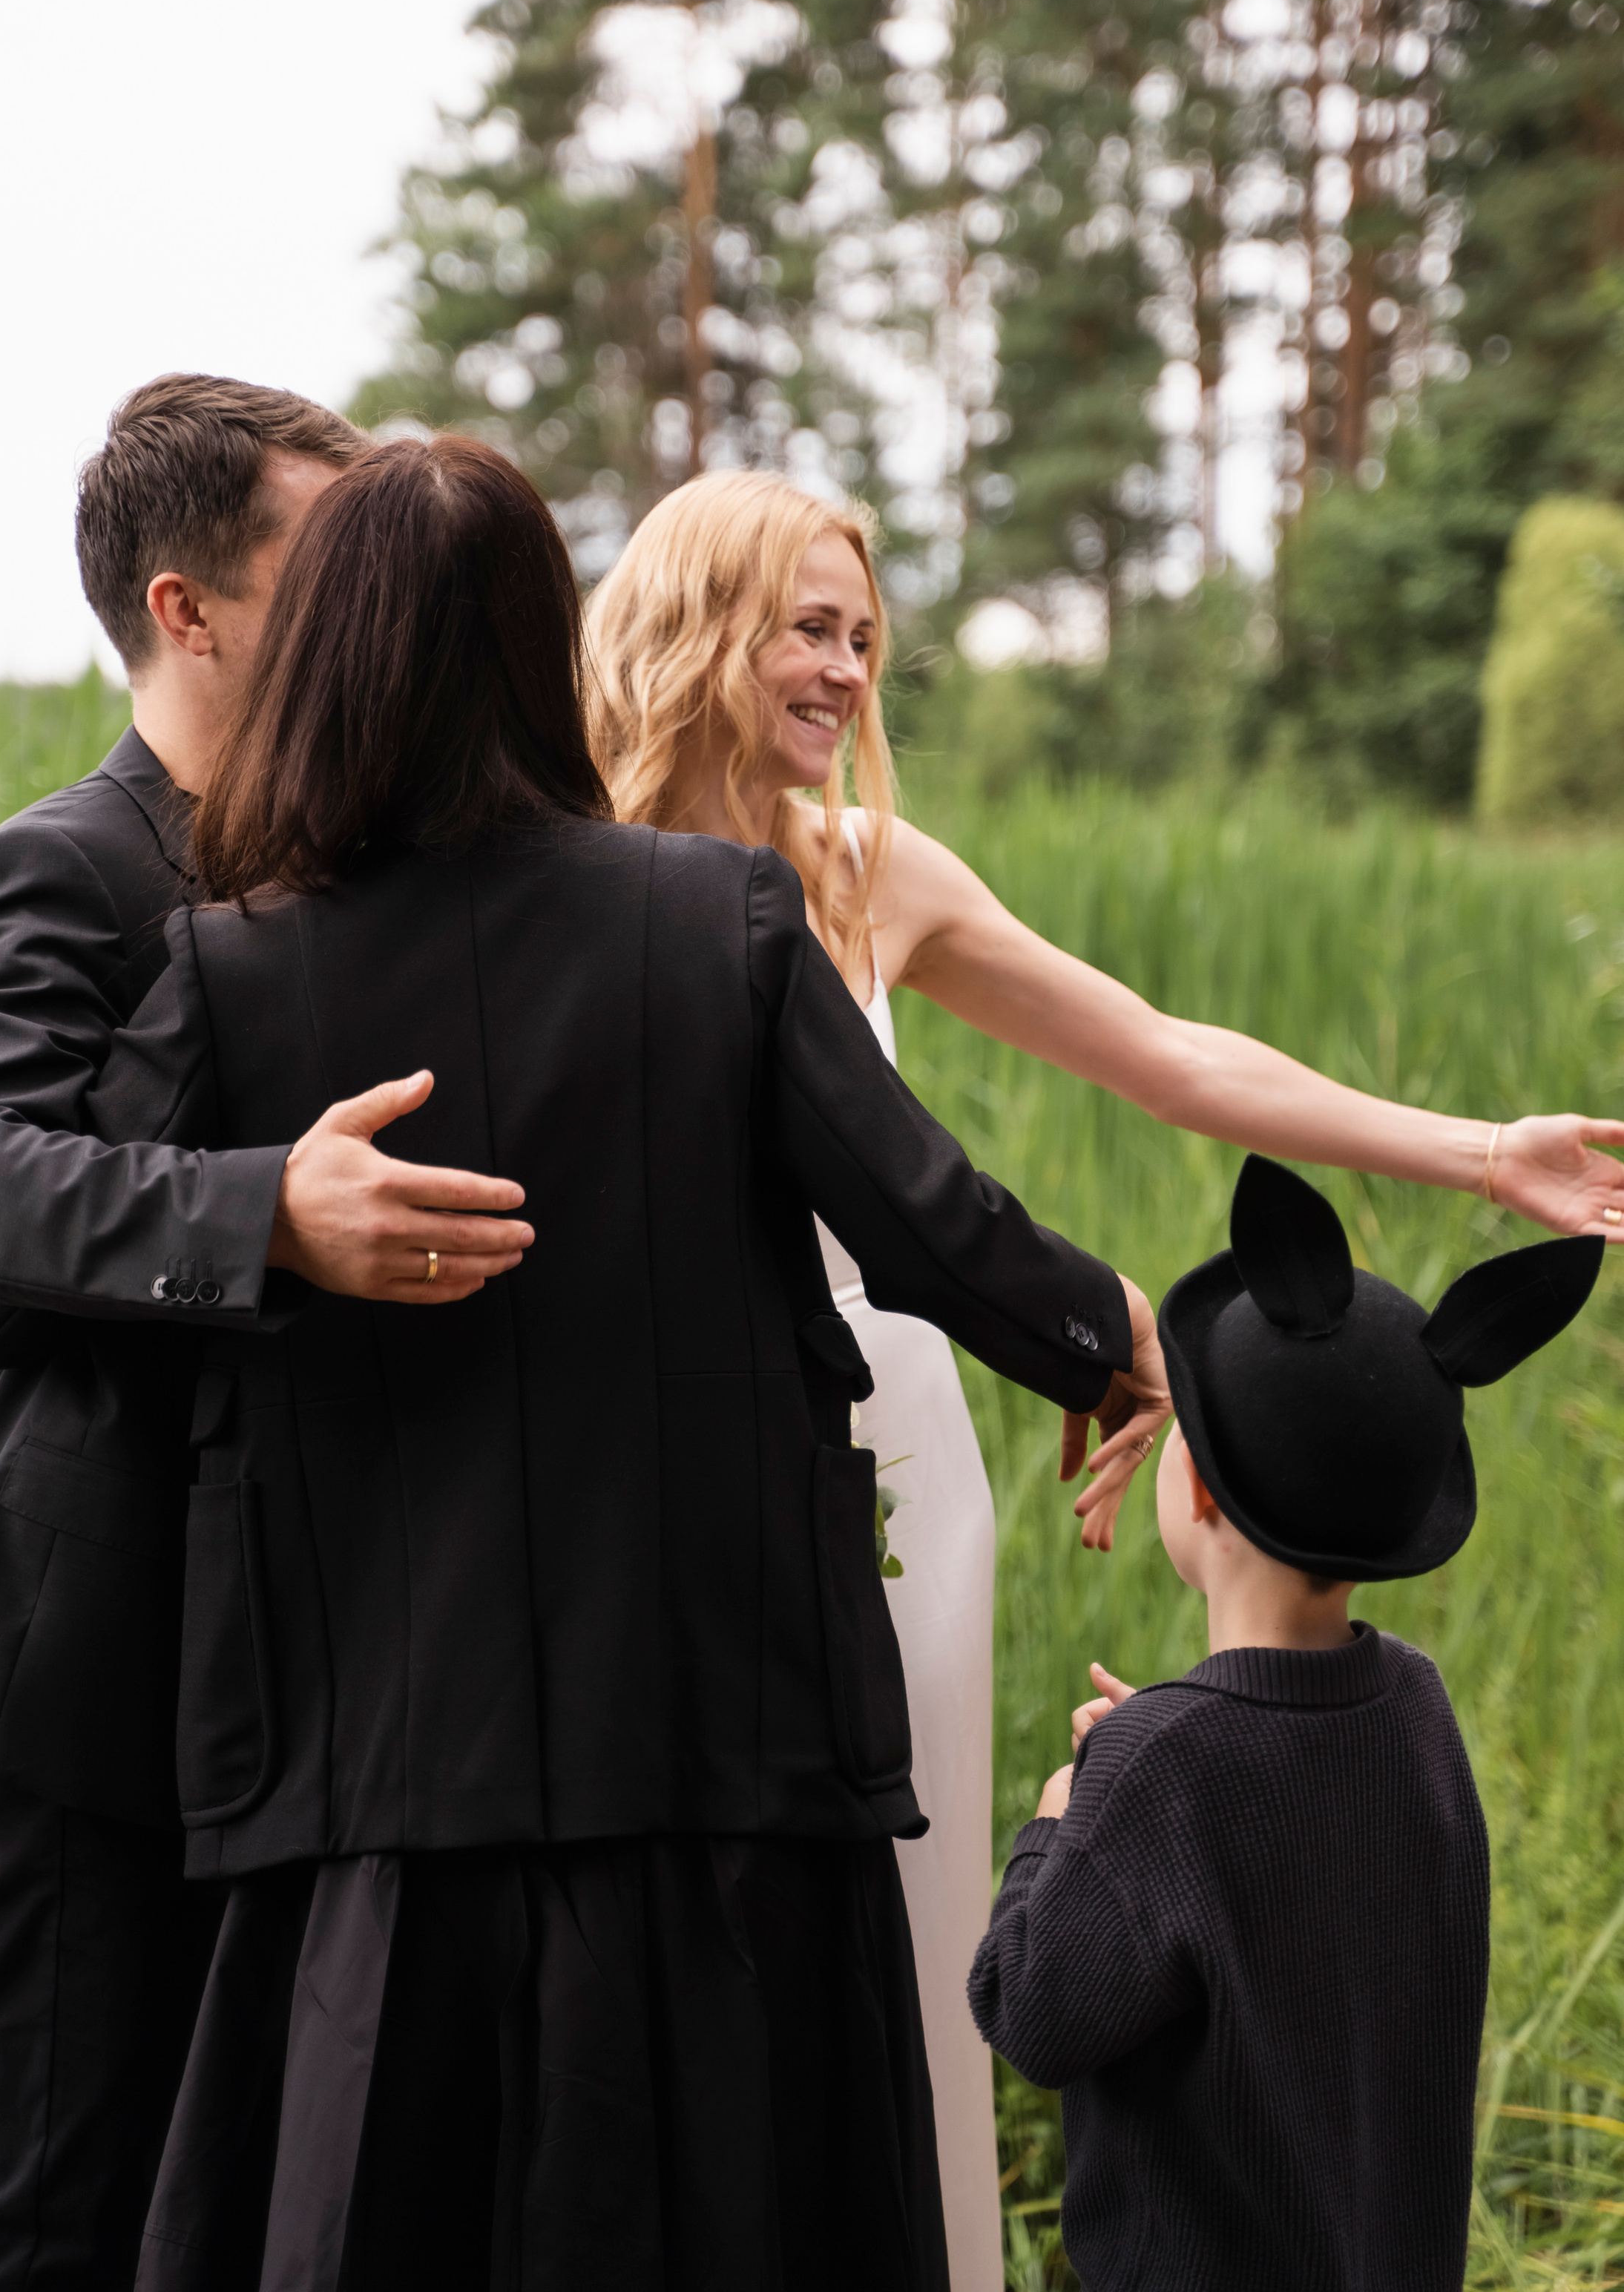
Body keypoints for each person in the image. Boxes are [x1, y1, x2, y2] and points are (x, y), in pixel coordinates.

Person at [79, 431, 1166, 2292]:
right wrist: (1107, 1336)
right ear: (537, 640)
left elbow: (95, 1234)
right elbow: (925, 1221)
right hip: (710, 1752)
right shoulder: (712, 920)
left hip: (374, 1776)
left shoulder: (227, 969)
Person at [581, 466, 1624, 2288]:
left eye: (861, 637)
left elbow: (1162, 1054)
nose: (838, 672)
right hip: (636, 1473)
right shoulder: (561, 876)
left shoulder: (865, 874)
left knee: (898, 1928)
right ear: (693, 621)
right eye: (803, 629)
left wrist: (1475, 1153)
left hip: (888, 1458)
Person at [0, 377, 530, 2292]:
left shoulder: (365, 867)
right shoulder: (66, 863)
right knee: (64, 2227)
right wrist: (266, 1215)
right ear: (190, 610)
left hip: (322, 1690)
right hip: (82, 1690)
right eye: (324, 568)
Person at [967, 1155, 1602, 2292]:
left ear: (1204, 1495)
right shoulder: (1414, 1707)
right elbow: (1291, 1846)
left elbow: (1033, 2010)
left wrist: (1066, 1822)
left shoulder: (1162, 1768)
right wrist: (1148, 1777)